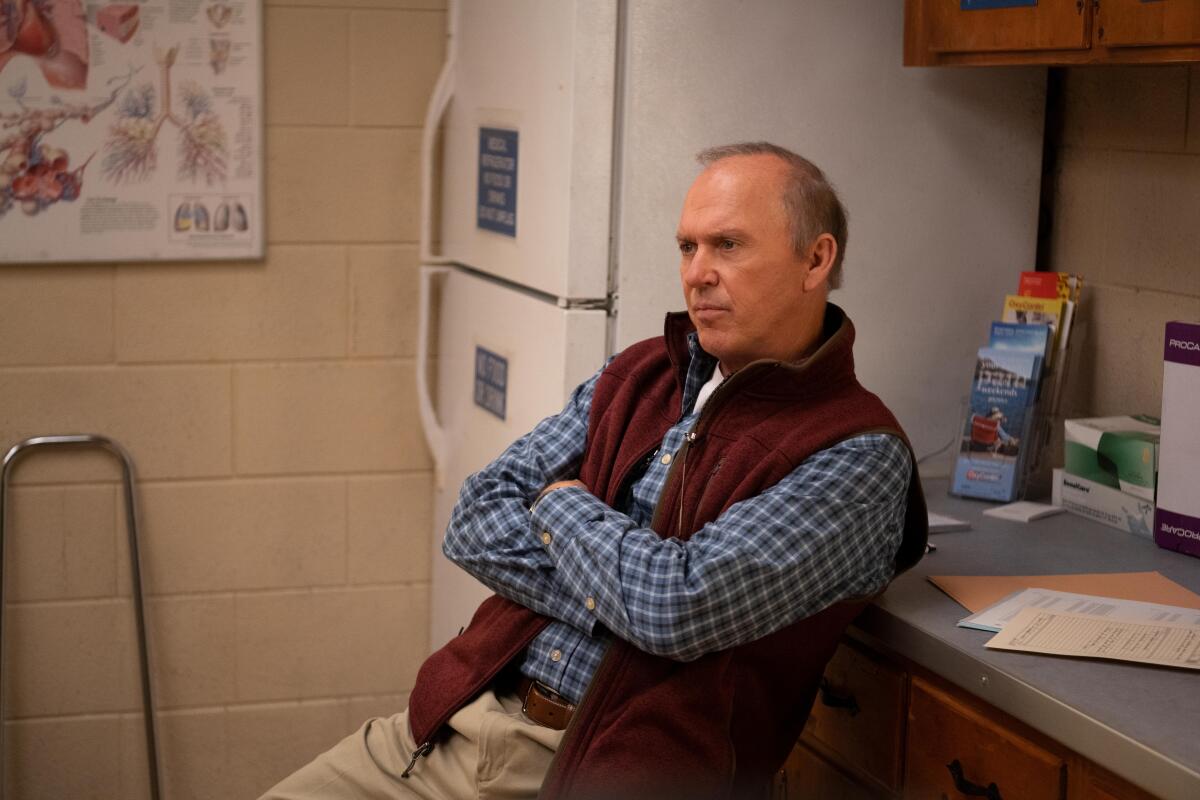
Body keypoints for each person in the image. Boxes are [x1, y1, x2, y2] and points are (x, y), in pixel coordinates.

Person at [261, 142, 927, 800]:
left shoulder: (856, 454)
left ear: (816, 259)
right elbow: (473, 518)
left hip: (590, 771)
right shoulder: (641, 374)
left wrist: (556, 503)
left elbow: (673, 607)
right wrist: (618, 597)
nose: (697, 273)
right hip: (447, 724)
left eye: (727, 245)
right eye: (687, 248)